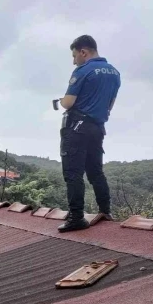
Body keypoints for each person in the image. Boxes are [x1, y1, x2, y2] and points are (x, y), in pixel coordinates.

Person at [57, 35, 121, 232]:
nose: (74, 60)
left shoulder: (82, 70)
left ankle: (76, 217)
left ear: (83, 52)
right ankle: (105, 211)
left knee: (73, 173)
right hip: (97, 128)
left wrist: (60, 101)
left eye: (75, 55)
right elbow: (110, 105)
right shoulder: (114, 73)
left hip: (77, 128)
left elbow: (68, 102)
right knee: (95, 171)